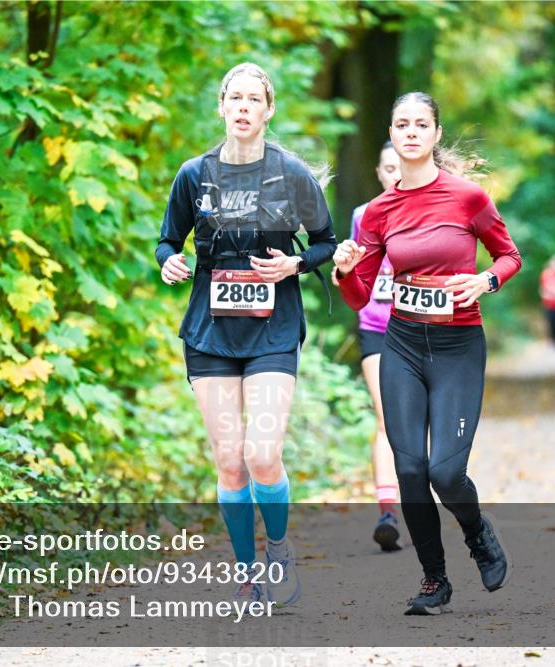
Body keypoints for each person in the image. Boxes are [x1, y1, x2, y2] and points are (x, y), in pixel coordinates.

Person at [333, 91, 521, 615]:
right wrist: (345, 269)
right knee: (410, 468)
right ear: (391, 135)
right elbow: (360, 295)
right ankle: (434, 580)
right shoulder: (376, 212)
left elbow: (509, 256)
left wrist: (484, 281)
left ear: (436, 135)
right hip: (403, 346)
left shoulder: (467, 198)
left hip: (459, 346)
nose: (411, 132)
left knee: (444, 473)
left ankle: (477, 530)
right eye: (401, 124)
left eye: (421, 124)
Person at [156, 63, 336, 605]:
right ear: (221, 107)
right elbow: (167, 241)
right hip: (211, 331)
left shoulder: (291, 173)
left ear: (268, 110)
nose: (242, 107)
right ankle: (246, 572)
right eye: (233, 97)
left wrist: (296, 266)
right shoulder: (195, 173)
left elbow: (325, 241)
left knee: (261, 454)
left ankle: (278, 550)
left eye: (252, 99)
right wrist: (170, 263)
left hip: (273, 330)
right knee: (230, 459)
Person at [346, 141, 405, 552]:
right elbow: (358, 275)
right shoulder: (361, 216)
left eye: (401, 166)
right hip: (376, 327)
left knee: (416, 422)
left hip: (421, 326)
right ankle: (388, 511)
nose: (395, 174)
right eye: (387, 167)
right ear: (379, 172)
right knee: (386, 419)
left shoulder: (430, 212)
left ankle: (418, 503)